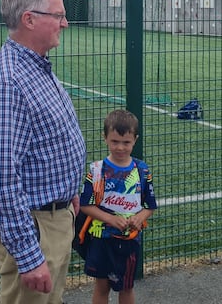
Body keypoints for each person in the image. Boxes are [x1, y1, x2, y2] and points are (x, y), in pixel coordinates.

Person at [0, 0, 86, 303]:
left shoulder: (34, 67)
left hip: (54, 215)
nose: (64, 24)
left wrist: (69, 194)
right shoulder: (8, 83)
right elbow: (3, 179)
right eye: (58, 15)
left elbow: (49, 142)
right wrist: (28, 255)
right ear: (30, 19)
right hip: (35, 225)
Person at [79, 109, 157, 304]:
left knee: (127, 287)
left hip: (129, 241)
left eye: (126, 143)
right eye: (115, 142)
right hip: (101, 240)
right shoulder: (97, 171)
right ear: (104, 138)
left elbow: (150, 205)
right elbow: (85, 206)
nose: (120, 148)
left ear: (135, 140)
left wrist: (140, 217)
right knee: (102, 286)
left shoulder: (142, 170)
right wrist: (110, 219)